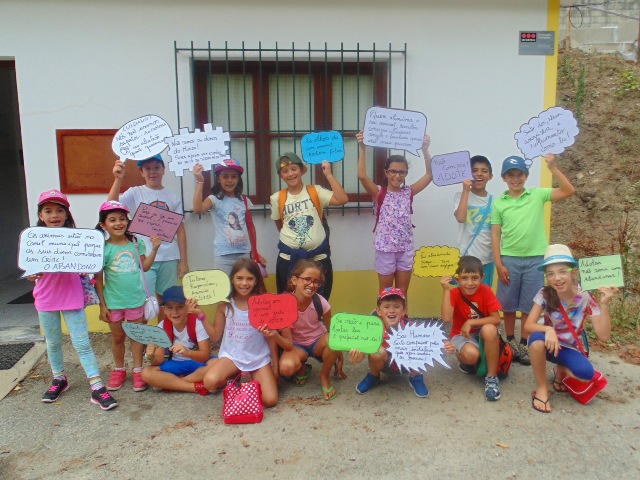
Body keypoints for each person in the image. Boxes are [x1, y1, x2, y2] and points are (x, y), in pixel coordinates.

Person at [28, 189, 117, 410]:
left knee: (82, 342)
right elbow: (29, 269)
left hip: (71, 296)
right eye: (48, 211)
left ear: (67, 214)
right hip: (46, 298)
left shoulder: (78, 240)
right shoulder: (33, 240)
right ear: (41, 216)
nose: (54, 215)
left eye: (59, 210)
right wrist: (31, 274)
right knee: (53, 341)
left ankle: (97, 386)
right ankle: (59, 378)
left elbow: (92, 264)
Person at [491, 153, 575, 365]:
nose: (515, 179)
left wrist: (554, 168)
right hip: (509, 259)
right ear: (504, 178)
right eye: (511, 175)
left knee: (531, 304)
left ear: (526, 176)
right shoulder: (499, 203)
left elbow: (568, 191)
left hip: (536, 260)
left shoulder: (537, 194)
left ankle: (525, 342)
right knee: (508, 304)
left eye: (520, 174)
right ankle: (510, 342)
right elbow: (495, 234)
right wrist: (499, 264)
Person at [524, 244, 617, 413]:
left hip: (569, 347)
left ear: (573, 272)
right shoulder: (544, 293)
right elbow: (528, 326)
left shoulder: (586, 297)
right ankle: (542, 388)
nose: (557, 278)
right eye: (550, 274)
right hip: (546, 343)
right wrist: (548, 330)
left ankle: (560, 371)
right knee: (535, 341)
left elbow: (603, 336)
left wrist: (604, 305)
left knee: (585, 374)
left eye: (562, 271)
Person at [94, 200, 161, 392]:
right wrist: (102, 305)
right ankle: (119, 369)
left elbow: (145, 267)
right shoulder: (102, 248)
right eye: (112, 220)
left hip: (135, 301)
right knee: (117, 338)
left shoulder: (135, 242)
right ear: (103, 225)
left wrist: (155, 248)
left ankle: (138, 370)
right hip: (114, 303)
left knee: (136, 337)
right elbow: (98, 279)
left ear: (128, 221)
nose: (118, 223)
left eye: (122, 219)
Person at [357, 132, 433, 297]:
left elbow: (429, 176)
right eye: (393, 171)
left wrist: (425, 150)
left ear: (406, 174)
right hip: (385, 250)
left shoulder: (408, 192)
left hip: (405, 249)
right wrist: (363, 148)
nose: (397, 176)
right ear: (386, 172)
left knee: (402, 293)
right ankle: (386, 323)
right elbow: (362, 176)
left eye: (402, 172)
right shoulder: (379, 193)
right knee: (386, 293)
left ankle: (402, 322)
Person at [108, 154, 189, 303]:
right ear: (141, 172)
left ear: (163, 170)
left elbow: (180, 230)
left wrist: (184, 261)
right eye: (148, 168)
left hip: (169, 257)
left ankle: (163, 327)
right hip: (144, 258)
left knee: (167, 301)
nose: (153, 172)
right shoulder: (135, 192)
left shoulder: (173, 197)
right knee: (144, 301)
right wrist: (118, 179)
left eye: (157, 167)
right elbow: (112, 205)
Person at [200, 258, 279, 406]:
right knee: (210, 382)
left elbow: (271, 338)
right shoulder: (225, 305)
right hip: (232, 358)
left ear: (256, 281)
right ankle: (232, 373)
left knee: (270, 400)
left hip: (258, 359)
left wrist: (276, 366)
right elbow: (215, 336)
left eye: (250, 279)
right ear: (232, 280)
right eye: (239, 278)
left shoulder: (264, 304)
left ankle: (251, 375)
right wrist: (201, 315)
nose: (244, 283)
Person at [270, 152, 348, 299]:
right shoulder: (276, 198)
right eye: (285, 171)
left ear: (301, 170)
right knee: (289, 303)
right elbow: (280, 224)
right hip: (289, 260)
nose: (290, 174)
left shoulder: (315, 191)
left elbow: (342, 199)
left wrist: (329, 175)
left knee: (319, 302)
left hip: (318, 258)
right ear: (281, 175)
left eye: (294, 169)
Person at [271, 259, 346, 400]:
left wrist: (338, 354)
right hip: (296, 345)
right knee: (286, 368)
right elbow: (287, 342)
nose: (311, 285)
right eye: (307, 279)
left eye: (316, 281)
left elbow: (334, 332)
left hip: (318, 341)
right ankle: (302, 368)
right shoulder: (283, 304)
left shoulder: (321, 302)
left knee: (333, 341)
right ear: (294, 280)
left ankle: (324, 377)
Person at [440, 256, 503, 401]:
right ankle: (465, 359)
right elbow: (447, 318)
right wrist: (446, 290)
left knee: (489, 329)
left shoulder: (485, 290)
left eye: (474, 278)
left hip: (483, 334)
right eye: (464, 278)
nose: (469, 283)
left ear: (482, 277)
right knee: (471, 356)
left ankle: (492, 378)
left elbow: (496, 319)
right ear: (457, 278)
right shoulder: (454, 292)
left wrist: (471, 322)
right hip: (461, 335)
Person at [349, 287, 430, 398]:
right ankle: (374, 376)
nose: (391, 311)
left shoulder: (411, 327)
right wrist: (358, 355)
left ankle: (416, 377)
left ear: (404, 311)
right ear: (378, 311)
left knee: (421, 343)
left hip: (405, 365)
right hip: (386, 364)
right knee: (377, 352)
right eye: (386, 307)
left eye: (396, 307)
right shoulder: (373, 328)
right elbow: (363, 347)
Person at [192, 159, 266, 275]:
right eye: (225, 176)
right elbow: (198, 209)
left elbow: (251, 227)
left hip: (243, 254)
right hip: (223, 256)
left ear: (238, 179)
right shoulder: (214, 199)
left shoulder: (244, 200)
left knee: (243, 288)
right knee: (224, 291)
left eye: (234, 176)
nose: (229, 180)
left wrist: (254, 252)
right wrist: (200, 182)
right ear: (218, 179)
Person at [141, 286, 212, 395]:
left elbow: (205, 355)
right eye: (170, 307)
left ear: (187, 307)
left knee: (217, 364)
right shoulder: (162, 326)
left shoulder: (197, 322)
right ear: (164, 310)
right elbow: (159, 360)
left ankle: (173, 383)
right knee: (146, 372)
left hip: (197, 363)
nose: (175, 312)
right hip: (175, 364)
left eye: (180, 307)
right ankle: (193, 387)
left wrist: (187, 352)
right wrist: (150, 356)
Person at [453, 155, 495, 287]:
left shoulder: (495, 202)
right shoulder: (460, 196)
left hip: (487, 259)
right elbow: (460, 218)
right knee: (463, 298)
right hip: (465, 257)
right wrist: (466, 190)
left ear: (490, 176)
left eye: (484, 170)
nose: (479, 174)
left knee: (483, 299)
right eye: (474, 170)